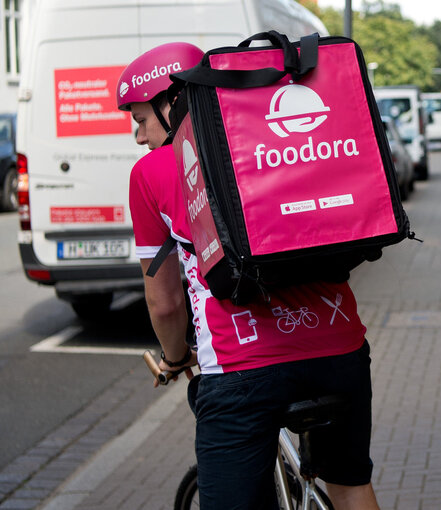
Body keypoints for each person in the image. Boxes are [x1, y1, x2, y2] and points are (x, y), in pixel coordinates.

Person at [120, 43, 381, 510]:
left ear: (170, 101)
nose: (139, 136)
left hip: (241, 368)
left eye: (140, 119)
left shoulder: (152, 172)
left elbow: (166, 303)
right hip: (340, 347)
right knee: (350, 485)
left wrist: (176, 358)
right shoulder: (276, 138)